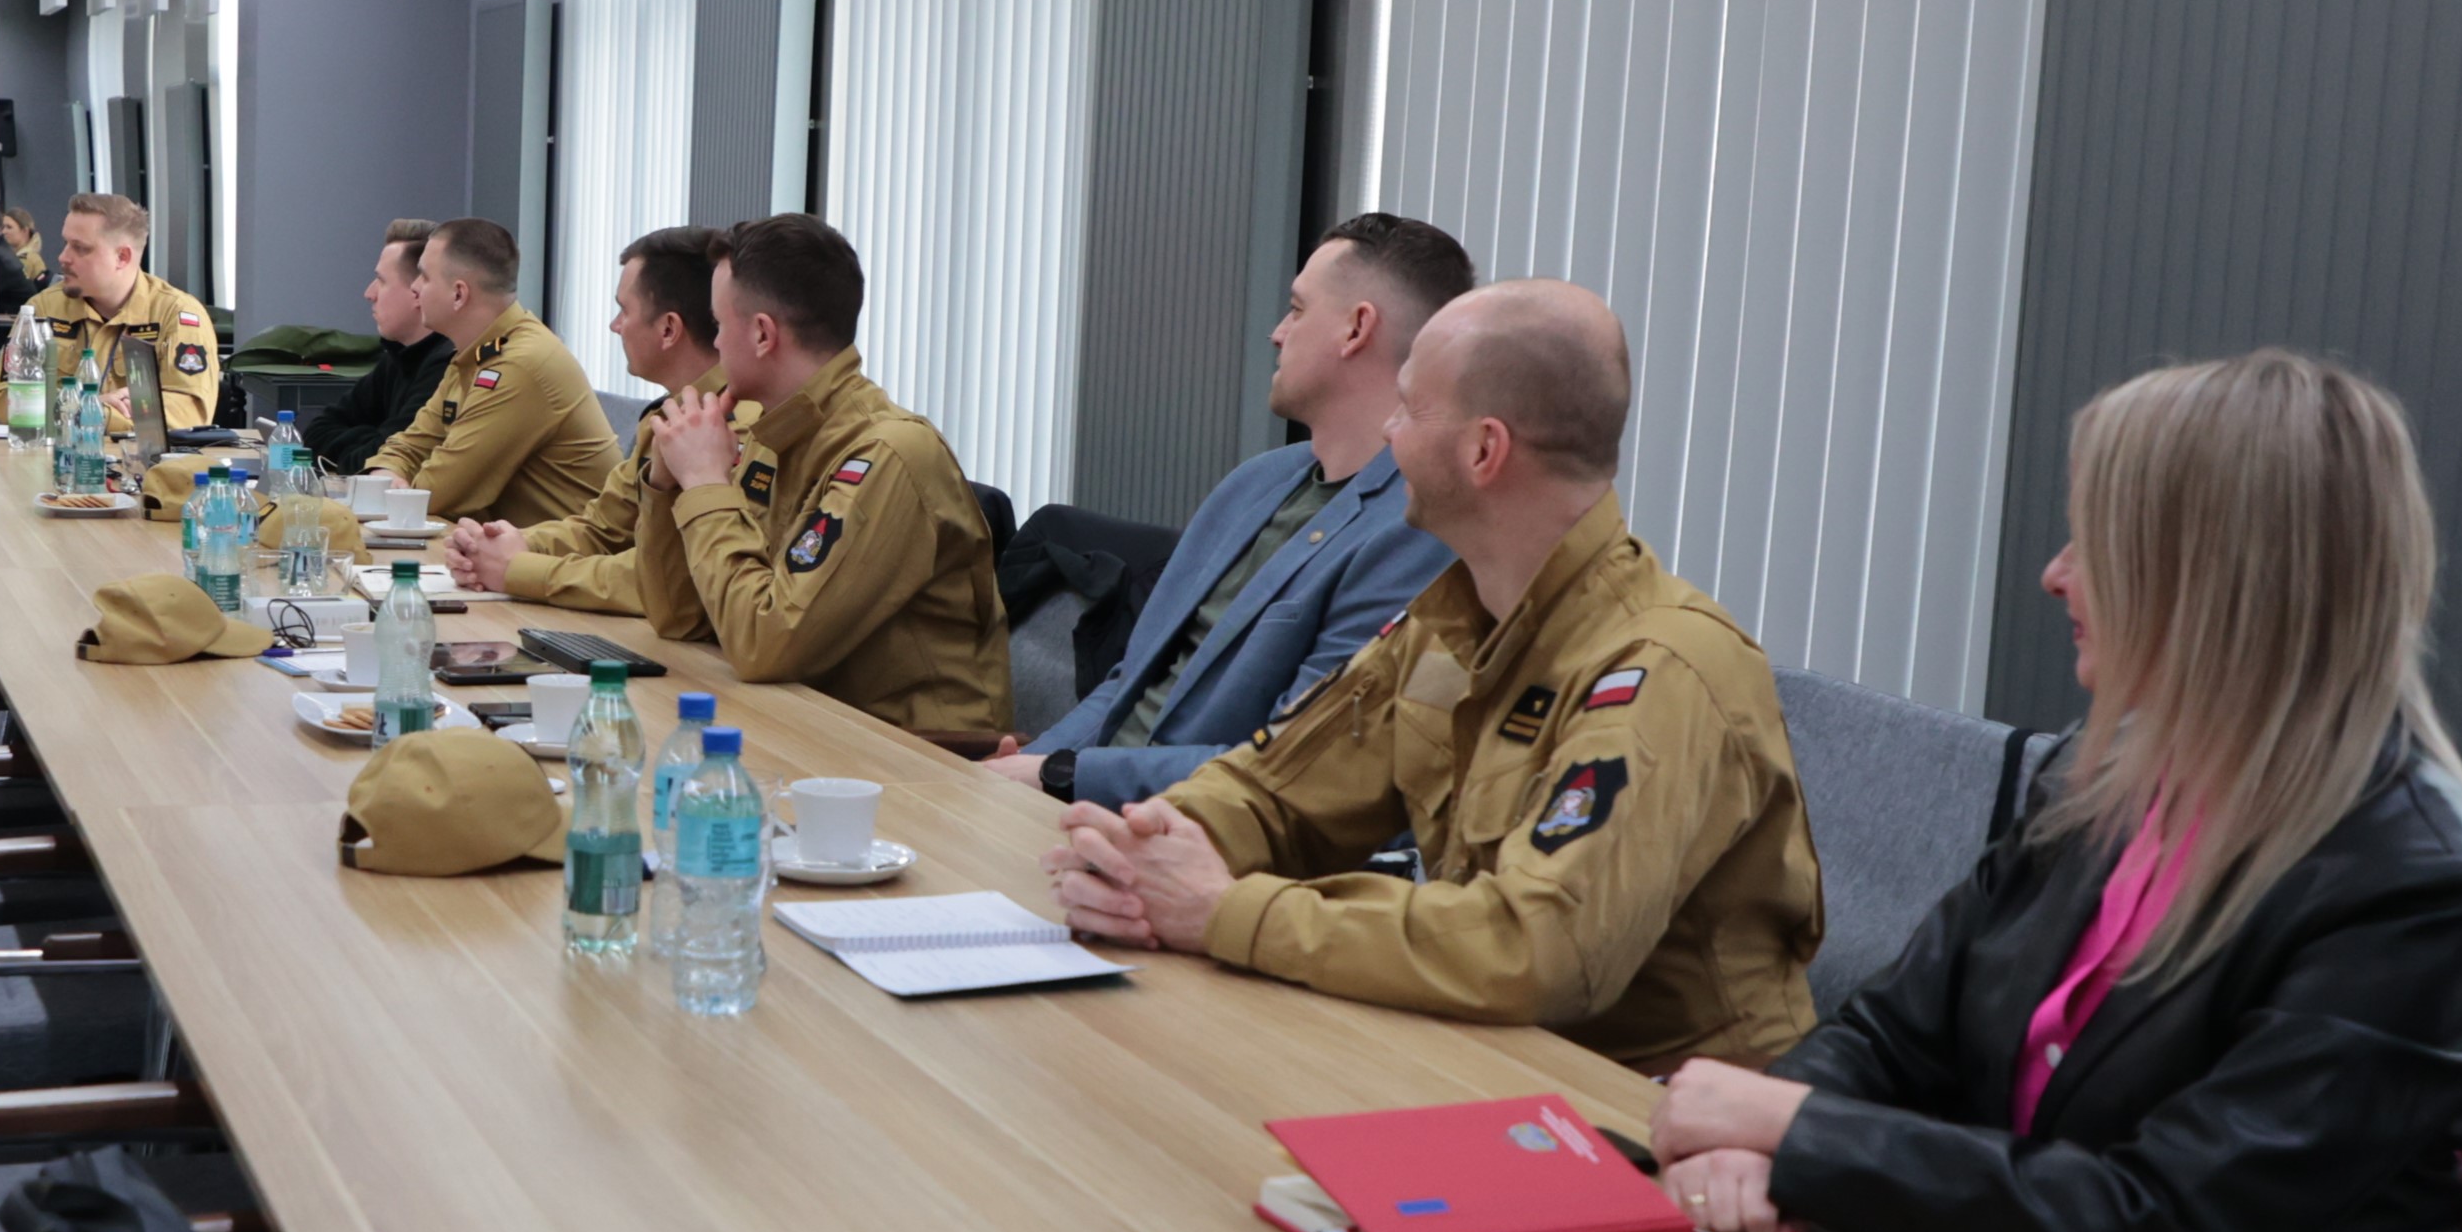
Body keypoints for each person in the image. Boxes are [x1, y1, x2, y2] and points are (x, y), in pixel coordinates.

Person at [1649, 351, 2462, 1232]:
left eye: (2095, 543)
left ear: (2210, 581)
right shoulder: (2096, 785)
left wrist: (1791, 1130)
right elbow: (1891, 1035)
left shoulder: (2414, 889)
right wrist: (1752, 1148)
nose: (2054, 574)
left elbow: (2162, 1223)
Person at [1045, 281, 1818, 1071]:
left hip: (1651, 1106)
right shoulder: (1451, 626)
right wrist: (1154, 847)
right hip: (1484, 1057)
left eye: (1409, 409)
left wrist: (1226, 912)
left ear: (1483, 450)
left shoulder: (1659, 670)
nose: (1387, 432)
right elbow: (1282, 789)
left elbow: (1533, 949)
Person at [987, 213, 1474, 806]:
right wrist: (1030, 768)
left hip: (1198, 836)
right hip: (1081, 809)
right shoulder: (1255, 483)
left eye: (1296, 309)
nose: (1277, 332)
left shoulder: (1418, 530)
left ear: (1356, 329)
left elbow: (1295, 764)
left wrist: (1064, 774)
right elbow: (1132, 681)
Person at [633, 215, 1008, 734]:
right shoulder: (773, 435)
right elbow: (680, 616)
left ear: (762, 334)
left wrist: (704, 483)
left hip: (920, 753)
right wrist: (665, 483)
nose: (714, 345)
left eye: (718, 326)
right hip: (815, 723)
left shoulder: (887, 454)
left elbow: (765, 643)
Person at [445, 223, 728, 613]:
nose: (615, 326)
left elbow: (674, 583)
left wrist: (519, 568)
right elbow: (602, 528)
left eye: (624, 310)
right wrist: (503, 545)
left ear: (668, 329)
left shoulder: (735, 428)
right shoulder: (669, 413)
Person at [369, 218, 617, 525]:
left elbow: (441, 492)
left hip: (557, 551)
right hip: (510, 545)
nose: (415, 287)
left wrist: (390, 492)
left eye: (425, 276)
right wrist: (386, 474)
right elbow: (411, 443)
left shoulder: (520, 364)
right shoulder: (475, 354)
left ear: (459, 294)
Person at [0, 194, 218, 432]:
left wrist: (98, 414)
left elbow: (190, 414)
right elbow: (7, 401)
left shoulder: (175, 314)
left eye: (80, 248)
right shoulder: (42, 309)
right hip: (59, 452)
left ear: (122, 257)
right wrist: (88, 407)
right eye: (66, 243)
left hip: (139, 456)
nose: (63, 257)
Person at [303, 219, 454, 474]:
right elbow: (315, 432)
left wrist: (365, 438)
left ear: (417, 292)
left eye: (381, 280)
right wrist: (371, 435)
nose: (369, 293)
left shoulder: (445, 366)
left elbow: (375, 461)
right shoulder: (398, 356)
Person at [0, 205, 47, 316]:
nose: (4, 231)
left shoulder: (25, 260)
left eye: (9, 227)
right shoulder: (10, 256)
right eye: (3, 227)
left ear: (24, 231)